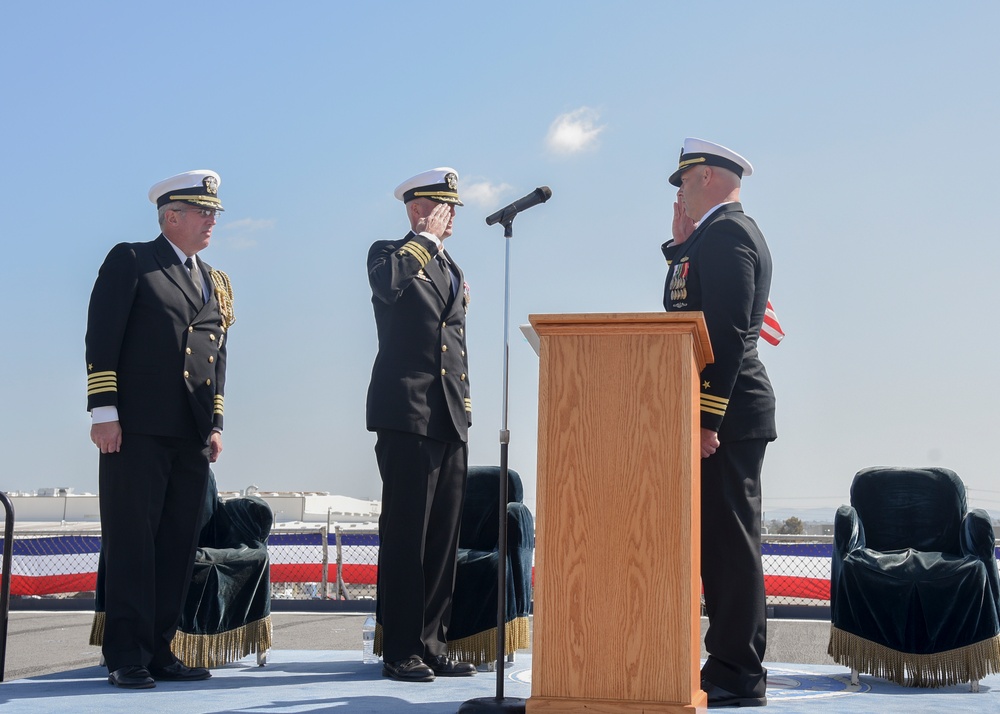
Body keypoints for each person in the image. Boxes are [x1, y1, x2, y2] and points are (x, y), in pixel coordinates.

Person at [86, 170, 236, 689]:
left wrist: (215, 421)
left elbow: (217, 357)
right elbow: (102, 336)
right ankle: (126, 653)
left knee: (176, 542)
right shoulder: (132, 260)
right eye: (203, 211)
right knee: (134, 540)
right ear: (171, 216)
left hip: (190, 433)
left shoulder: (213, 279)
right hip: (136, 428)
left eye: (214, 212)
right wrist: (103, 411)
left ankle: (160, 649)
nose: (212, 219)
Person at [662, 139, 776, 708]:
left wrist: (707, 419)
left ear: (706, 176)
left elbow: (725, 334)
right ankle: (727, 661)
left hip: (727, 412)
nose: (678, 193)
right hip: (715, 411)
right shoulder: (707, 237)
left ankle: (738, 671)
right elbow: (685, 313)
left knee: (732, 546)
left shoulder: (731, 233)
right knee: (718, 545)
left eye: (683, 181)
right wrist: (680, 248)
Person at [366, 167, 477, 682]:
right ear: (418, 208)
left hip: (450, 414)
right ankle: (401, 648)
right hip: (408, 411)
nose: (452, 214)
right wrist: (425, 239)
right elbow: (387, 288)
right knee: (408, 534)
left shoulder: (449, 266)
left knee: (440, 539)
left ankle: (433, 643)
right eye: (443, 206)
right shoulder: (390, 253)